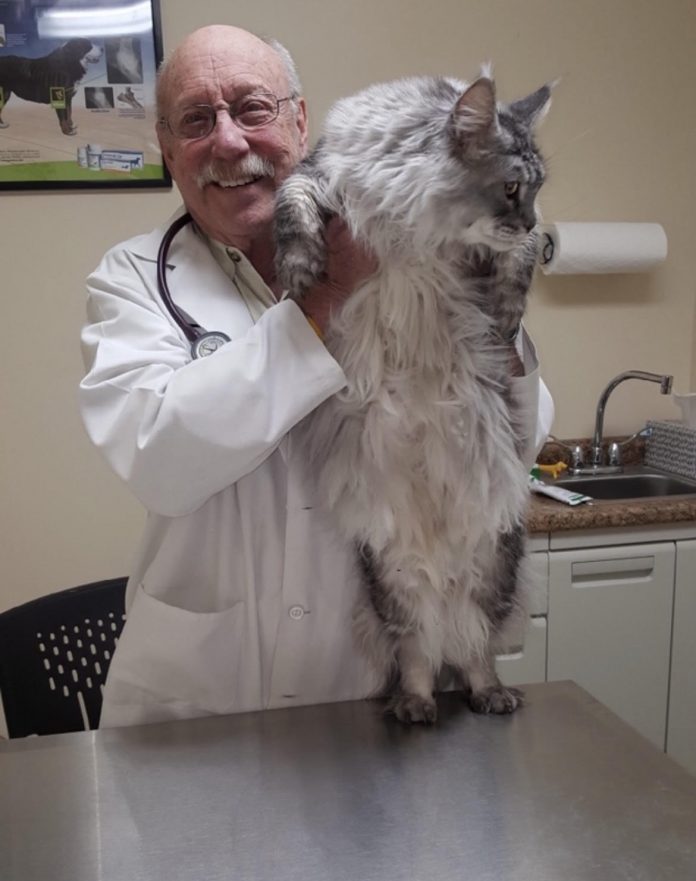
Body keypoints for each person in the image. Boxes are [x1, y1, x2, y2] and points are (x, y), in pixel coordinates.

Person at [79, 25, 554, 728]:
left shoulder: (415, 246)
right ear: (167, 149)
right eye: (197, 121)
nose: (229, 142)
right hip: (202, 707)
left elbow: (518, 442)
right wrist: (326, 296)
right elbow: (161, 458)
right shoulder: (132, 280)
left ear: (300, 122)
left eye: (253, 108)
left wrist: (498, 310)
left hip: (362, 701)